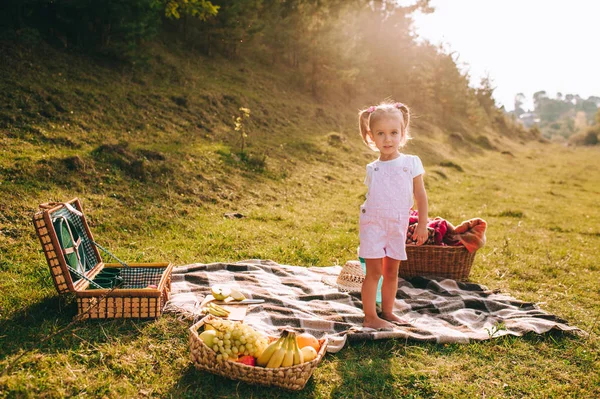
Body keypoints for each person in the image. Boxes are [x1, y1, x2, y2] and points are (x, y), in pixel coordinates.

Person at [357, 101, 429, 330]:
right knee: (374, 272)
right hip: (373, 224)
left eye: (393, 133)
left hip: (397, 223)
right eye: (381, 133)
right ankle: (370, 317)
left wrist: (422, 225)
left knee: (392, 271)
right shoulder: (373, 168)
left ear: (403, 134)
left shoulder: (411, 163)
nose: (387, 139)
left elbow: (421, 195)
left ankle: (387, 311)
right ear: (371, 137)